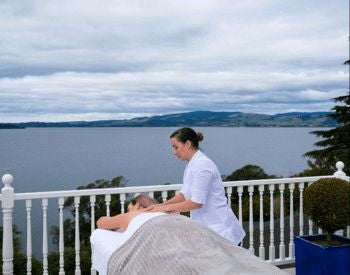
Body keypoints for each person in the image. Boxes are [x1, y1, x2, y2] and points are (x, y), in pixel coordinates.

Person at [146, 127, 245, 245]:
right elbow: (183, 195)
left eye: (175, 147)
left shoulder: (202, 165)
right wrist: (159, 206)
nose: (174, 152)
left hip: (221, 230)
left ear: (187, 144)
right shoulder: (192, 164)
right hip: (208, 230)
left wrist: (163, 209)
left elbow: (196, 203)